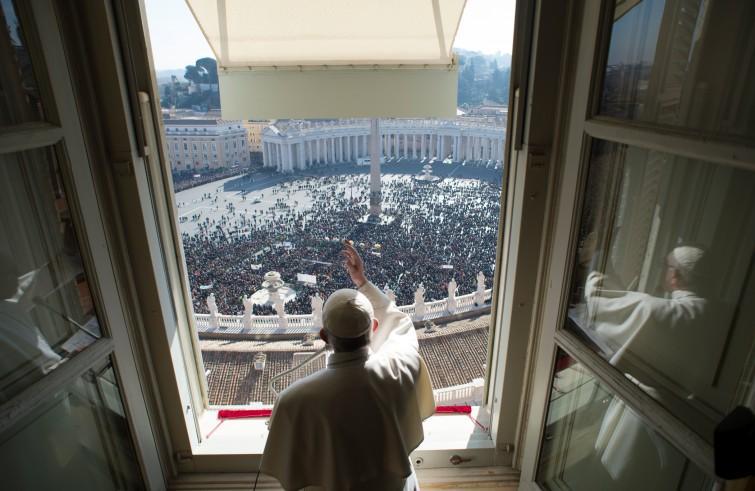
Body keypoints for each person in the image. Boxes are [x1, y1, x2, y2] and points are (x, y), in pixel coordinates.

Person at [261, 241, 435, 491]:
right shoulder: (402, 365)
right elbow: (400, 322)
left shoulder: (292, 401)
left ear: (324, 336)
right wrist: (362, 282)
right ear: (374, 327)